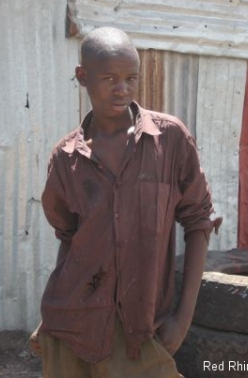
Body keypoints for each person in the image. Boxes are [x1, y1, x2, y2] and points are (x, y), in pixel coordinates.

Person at [29, 27, 221, 377]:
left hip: (141, 327)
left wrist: (183, 318)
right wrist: (50, 319)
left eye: (131, 78)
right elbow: (70, 240)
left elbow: (199, 221)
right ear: (83, 77)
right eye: (110, 79)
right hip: (73, 324)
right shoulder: (66, 158)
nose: (123, 89)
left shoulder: (170, 140)